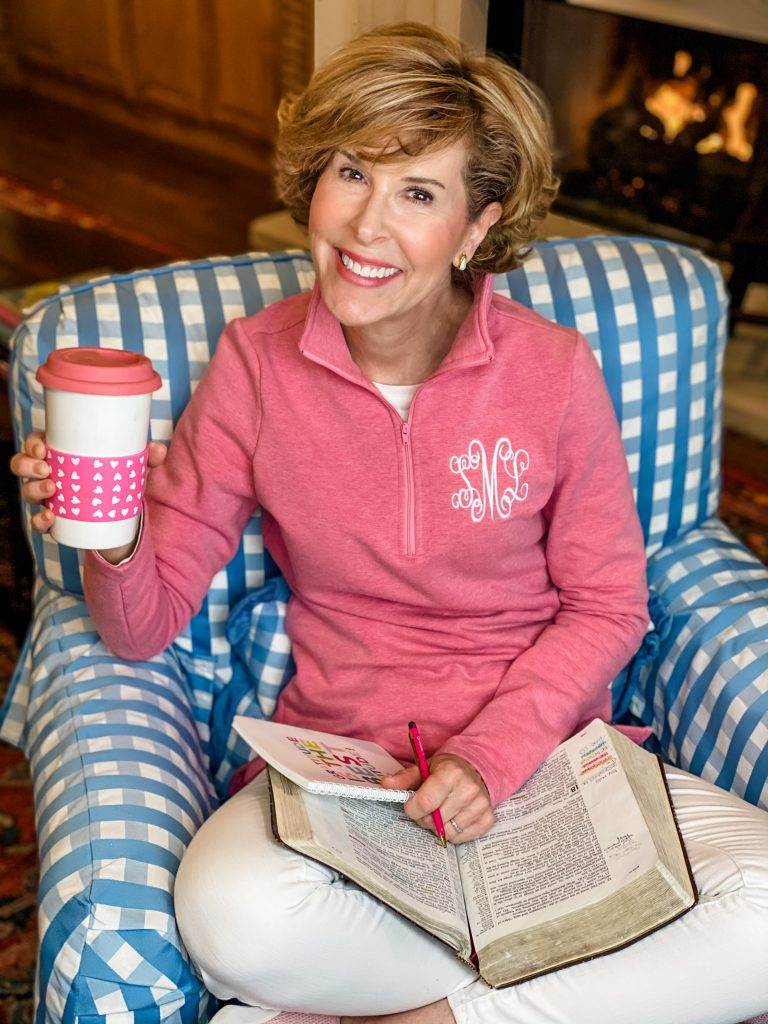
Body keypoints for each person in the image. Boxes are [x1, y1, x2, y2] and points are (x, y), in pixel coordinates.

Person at [10, 21, 768, 1024]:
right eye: (350, 173)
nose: (367, 225)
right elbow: (143, 625)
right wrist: (106, 538)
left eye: (417, 193)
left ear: (475, 226)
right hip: (350, 781)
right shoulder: (253, 364)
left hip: (540, 763)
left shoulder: (553, 373)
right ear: (312, 184)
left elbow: (608, 602)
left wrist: (487, 757)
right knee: (227, 916)